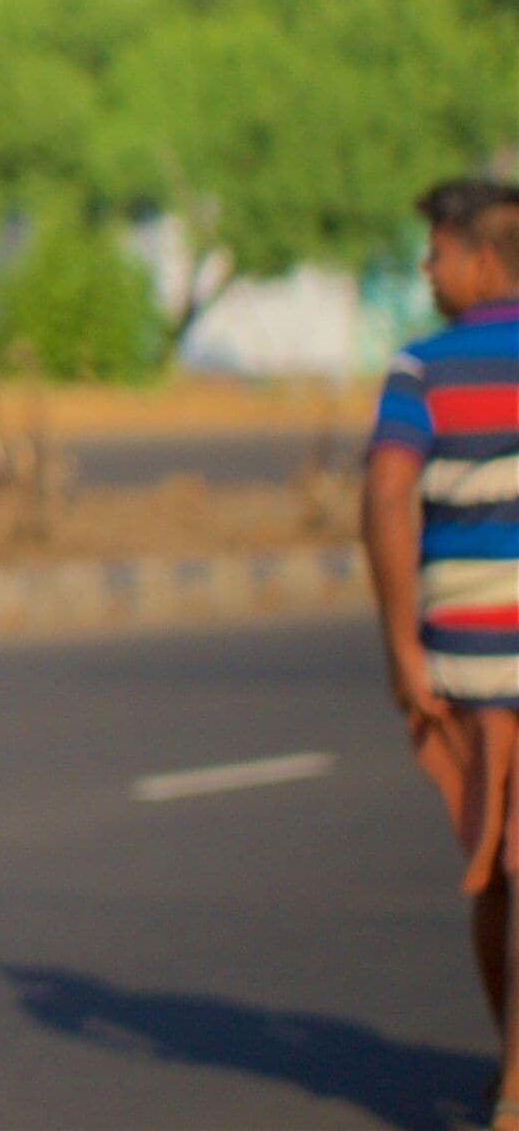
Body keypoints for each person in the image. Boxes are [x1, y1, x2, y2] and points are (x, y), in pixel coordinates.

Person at [363, 174, 519, 1131]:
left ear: (484, 259)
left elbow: (386, 500)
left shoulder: (422, 371)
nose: (427, 269)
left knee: (494, 862)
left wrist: (399, 650)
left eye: (436, 251)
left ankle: (514, 1077)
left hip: (464, 665)